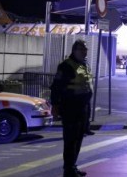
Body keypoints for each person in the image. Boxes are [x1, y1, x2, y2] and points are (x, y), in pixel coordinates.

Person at [50, 39, 93, 177]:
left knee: (78, 139)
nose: (84, 52)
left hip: (83, 109)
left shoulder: (84, 65)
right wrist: (55, 106)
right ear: (74, 50)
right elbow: (56, 87)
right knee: (70, 141)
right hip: (70, 109)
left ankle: (72, 167)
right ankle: (68, 170)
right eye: (81, 49)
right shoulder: (65, 66)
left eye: (85, 49)